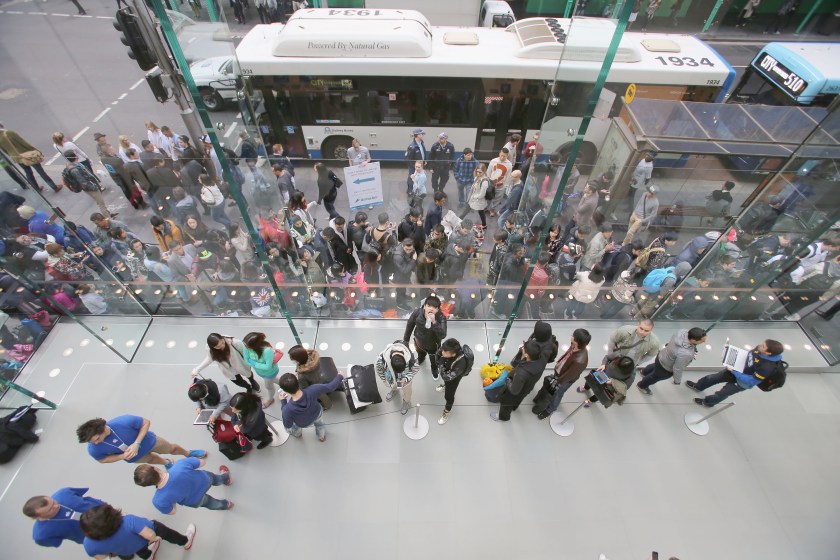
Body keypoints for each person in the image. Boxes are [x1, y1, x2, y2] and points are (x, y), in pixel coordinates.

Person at [76, 415, 204, 467]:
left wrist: (137, 443)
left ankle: (188, 453)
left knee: (172, 448)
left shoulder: (122, 421)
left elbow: (145, 422)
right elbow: (102, 460)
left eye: (97, 439)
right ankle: (166, 463)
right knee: (152, 459)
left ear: (103, 429)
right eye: (92, 442)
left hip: (149, 441)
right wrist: (122, 456)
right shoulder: (93, 448)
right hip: (134, 457)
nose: (96, 443)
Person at [687, 339, 786, 406]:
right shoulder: (759, 349)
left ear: (768, 353)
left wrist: (734, 371)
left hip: (741, 383)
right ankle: (698, 386)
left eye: (763, 346)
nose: (760, 345)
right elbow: (748, 355)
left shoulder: (766, 368)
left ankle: (708, 402)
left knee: (722, 393)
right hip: (736, 369)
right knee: (712, 378)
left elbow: (751, 381)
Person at [80, 503, 196, 559]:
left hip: (127, 550)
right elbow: (150, 534)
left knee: (138, 549)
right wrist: (153, 539)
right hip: (142, 538)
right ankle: (185, 541)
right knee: (162, 531)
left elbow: (100, 557)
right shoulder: (129, 521)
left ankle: (149, 556)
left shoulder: (88, 544)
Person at [133, 459, 233, 513]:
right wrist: (174, 467)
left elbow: (172, 511)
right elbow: (202, 462)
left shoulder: (158, 500)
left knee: (210, 503)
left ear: (147, 485)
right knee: (216, 479)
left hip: (195, 500)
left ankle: (226, 505)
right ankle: (225, 479)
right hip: (204, 480)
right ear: (156, 469)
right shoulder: (180, 465)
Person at [532, 328, 591, 419]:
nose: (571, 336)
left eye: (573, 336)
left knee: (557, 394)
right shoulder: (574, 345)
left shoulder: (581, 360)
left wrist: (557, 382)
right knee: (552, 391)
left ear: (577, 340)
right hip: (560, 373)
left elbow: (569, 376)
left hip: (564, 380)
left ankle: (550, 409)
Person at [24, 488, 106, 549]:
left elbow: (83, 495)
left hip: (108, 515)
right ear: (36, 517)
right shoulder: (41, 535)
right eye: (50, 509)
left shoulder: (64, 493)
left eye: (53, 501)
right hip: (97, 537)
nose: (56, 506)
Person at [637, 327, 707, 395]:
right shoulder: (686, 353)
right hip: (666, 368)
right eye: (702, 341)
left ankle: (643, 372)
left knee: (655, 366)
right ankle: (642, 385)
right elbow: (678, 368)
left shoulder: (682, 332)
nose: (703, 342)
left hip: (662, 356)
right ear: (694, 340)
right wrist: (677, 381)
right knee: (654, 377)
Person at [278, 371, 344, 441]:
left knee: (291, 428)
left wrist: (283, 401)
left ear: (285, 391)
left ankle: (298, 434)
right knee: (320, 425)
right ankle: (321, 437)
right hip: (317, 414)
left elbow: (288, 425)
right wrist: (340, 376)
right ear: (297, 381)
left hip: (303, 423)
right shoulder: (313, 389)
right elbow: (331, 387)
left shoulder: (287, 409)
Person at [491, 340, 545, 422]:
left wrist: (507, 380)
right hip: (528, 386)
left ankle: (503, 417)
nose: (521, 348)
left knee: (506, 403)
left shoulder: (521, 373)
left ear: (526, 354)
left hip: (514, 392)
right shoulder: (542, 360)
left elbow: (514, 391)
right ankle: (514, 407)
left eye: (523, 348)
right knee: (519, 398)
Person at [0, 122, 61, 191]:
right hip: (27, 155)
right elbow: (24, 143)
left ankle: (36, 188)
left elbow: (4, 150)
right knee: (40, 171)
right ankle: (54, 187)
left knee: (28, 172)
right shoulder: (9, 133)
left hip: (17, 158)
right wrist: (36, 150)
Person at [191, 333, 261, 393]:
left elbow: (246, 353)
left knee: (248, 374)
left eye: (222, 342)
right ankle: (248, 387)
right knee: (238, 382)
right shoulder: (212, 351)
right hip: (228, 369)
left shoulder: (234, 342)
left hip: (240, 363)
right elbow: (209, 359)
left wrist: (254, 362)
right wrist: (197, 370)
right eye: (218, 346)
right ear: (213, 347)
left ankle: (252, 382)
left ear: (222, 338)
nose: (222, 346)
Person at [403, 295, 448, 383]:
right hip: (418, 341)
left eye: (434, 307)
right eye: (429, 306)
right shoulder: (417, 313)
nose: (431, 309)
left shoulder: (441, 317)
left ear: (438, 309)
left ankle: (434, 369)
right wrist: (406, 340)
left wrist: (434, 322)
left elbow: (442, 335)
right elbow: (410, 325)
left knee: (434, 360)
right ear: (424, 306)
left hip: (433, 345)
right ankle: (421, 358)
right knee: (420, 353)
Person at [434, 338, 474, 425]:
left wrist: (440, 364)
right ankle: (445, 386)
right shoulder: (447, 348)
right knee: (446, 381)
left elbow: (446, 377)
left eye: (445, 352)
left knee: (449, 396)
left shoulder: (461, 363)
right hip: (447, 369)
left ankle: (447, 411)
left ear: (453, 354)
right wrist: (440, 359)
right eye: (443, 350)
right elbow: (438, 353)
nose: (442, 352)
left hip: (454, 379)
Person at [61, 151, 112, 217]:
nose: (77, 154)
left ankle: (108, 213)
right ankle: (108, 218)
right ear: (74, 156)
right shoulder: (75, 170)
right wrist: (94, 187)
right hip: (91, 188)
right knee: (101, 203)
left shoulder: (71, 164)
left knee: (100, 202)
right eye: (75, 153)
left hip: (91, 185)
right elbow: (83, 183)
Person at [376, 340, 419, 415]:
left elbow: (415, 369)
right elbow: (379, 369)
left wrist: (405, 378)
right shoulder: (382, 359)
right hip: (392, 380)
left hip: (405, 382)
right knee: (394, 385)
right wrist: (384, 380)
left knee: (407, 393)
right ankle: (394, 390)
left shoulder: (411, 359)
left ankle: (406, 402)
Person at [287, 344, 334, 411]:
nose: (291, 359)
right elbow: (300, 366)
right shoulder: (311, 358)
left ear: (298, 359)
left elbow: (304, 387)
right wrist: (297, 371)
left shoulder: (303, 375)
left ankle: (328, 405)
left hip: (314, 385)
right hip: (319, 377)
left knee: (321, 395)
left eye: (292, 358)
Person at [243, 331, 280, 409]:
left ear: (255, 345)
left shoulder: (267, 351)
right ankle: (284, 384)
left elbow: (268, 367)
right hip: (260, 372)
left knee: (269, 386)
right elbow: (246, 358)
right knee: (273, 380)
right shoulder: (246, 345)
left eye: (247, 346)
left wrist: (254, 364)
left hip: (269, 373)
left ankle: (270, 399)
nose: (245, 347)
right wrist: (254, 364)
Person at [459, 163, 490, 228]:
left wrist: (474, 196)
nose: (478, 173)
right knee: (469, 208)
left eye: (480, 172)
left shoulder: (484, 182)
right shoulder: (477, 177)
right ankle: (460, 219)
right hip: (473, 199)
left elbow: (482, 194)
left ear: (484, 172)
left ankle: (484, 225)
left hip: (478, 200)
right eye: (477, 171)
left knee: (480, 211)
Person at [487, 147, 513, 216]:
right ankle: (486, 207)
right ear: (499, 154)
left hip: (501, 184)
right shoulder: (493, 161)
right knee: (488, 196)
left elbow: (508, 176)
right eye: (501, 155)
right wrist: (487, 181)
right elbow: (488, 172)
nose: (502, 157)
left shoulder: (509, 164)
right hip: (491, 183)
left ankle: (492, 209)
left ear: (507, 156)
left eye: (504, 156)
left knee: (498, 198)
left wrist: (506, 186)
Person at [405, 128, 427, 192]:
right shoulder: (412, 147)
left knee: (419, 178)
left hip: (420, 166)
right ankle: (410, 191)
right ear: (417, 135)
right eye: (422, 134)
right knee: (411, 178)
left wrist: (424, 160)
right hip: (414, 167)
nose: (423, 135)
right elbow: (407, 159)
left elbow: (423, 153)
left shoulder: (421, 143)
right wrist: (415, 166)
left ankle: (416, 190)